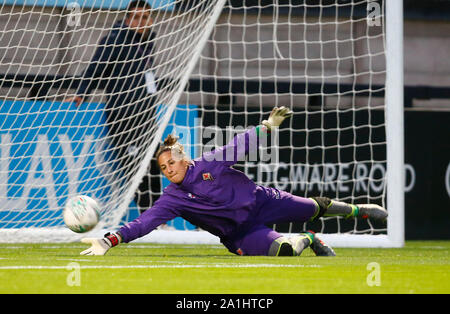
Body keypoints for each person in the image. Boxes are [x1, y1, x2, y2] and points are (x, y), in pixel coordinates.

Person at [80, 106, 388, 257]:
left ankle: (358, 210)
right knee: (284, 252)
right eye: (162, 167)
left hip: (262, 200)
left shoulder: (209, 162)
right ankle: (309, 239)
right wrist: (109, 240)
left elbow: (239, 144)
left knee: (314, 207)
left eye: (171, 161)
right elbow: (144, 222)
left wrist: (266, 127)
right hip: (240, 233)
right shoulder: (172, 198)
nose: (168, 168)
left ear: (184, 157)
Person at [64, 0, 161, 211]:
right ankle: (149, 218)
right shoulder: (114, 40)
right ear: (127, 20)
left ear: (151, 20)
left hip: (146, 116)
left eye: (144, 17)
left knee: (155, 163)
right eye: (135, 17)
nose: (140, 22)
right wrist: (82, 93)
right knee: (136, 167)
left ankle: (158, 219)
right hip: (123, 116)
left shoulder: (147, 43)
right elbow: (94, 69)